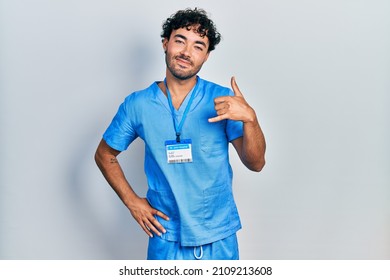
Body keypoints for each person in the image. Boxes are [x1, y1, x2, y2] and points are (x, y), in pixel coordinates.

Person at [95, 7, 266, 260]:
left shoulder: (222, 100)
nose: (187, 52)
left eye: (198, 46)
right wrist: (132, 202)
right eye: (180, 41)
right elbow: (104, 155)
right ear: (165, 43)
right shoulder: (138, 105)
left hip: (218, 239)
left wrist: (251, 119)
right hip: (166, 238)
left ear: (206, 56)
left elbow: (256, 163)